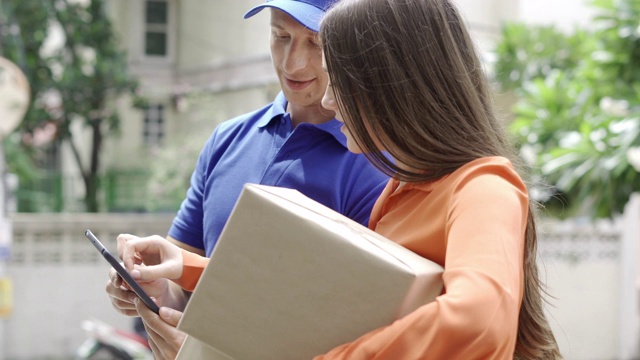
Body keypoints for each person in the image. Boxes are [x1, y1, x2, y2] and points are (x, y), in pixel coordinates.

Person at [121, 0, 565, 358]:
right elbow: (332, 296)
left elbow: (476, 320)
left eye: (343, 79)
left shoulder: (483, 187)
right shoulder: (402, 190)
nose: (330, 99)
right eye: (280, 37)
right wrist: (185, 268)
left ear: (392, 87)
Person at [104, 0, 389, 358]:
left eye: (316, 43)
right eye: (280, 35)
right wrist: (154, 287)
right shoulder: (227, 139)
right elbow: (185, 280)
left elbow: (353, 327)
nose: (292, 63)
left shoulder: (375, 163)